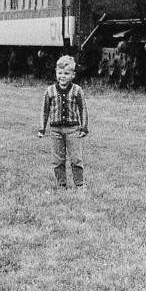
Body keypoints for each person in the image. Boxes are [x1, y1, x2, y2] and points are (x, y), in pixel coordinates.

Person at [37, 55, 88, 190]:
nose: (63, 76)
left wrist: (84, 127)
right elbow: (44, 110)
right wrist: (42, 128)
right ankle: (61, 185)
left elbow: (83, 109)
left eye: (66, 73)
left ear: (73, 75)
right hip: (55, 130)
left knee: (76, 158)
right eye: (60, 73)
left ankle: (80, 185)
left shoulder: (77, 90)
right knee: (58, 159)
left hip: (73, 130)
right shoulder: (50, 91)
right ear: (56, 73)